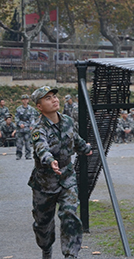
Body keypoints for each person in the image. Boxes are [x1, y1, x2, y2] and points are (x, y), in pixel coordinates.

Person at [28, 85, 92, 259]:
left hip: (67, 177)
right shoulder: (38, 127)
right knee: (43, 224)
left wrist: (85, 148)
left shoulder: (67, 121)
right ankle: (46, 249)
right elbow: (41, 147)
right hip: (44, 182)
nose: (54, 100)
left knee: (70, 214)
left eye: (54, 96)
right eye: (47, 98)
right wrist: (50, 160)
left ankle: (71, 255)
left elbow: (75, 139)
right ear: (39, 106)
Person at [16, 94, 37, 160]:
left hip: (27, 127)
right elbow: (16, 118)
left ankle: (28, 155)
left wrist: (32, 125)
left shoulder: (31, 109)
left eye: (26, 99)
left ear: (28, 100)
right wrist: (19, 124)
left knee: (28, 142)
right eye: (23, 99)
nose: (25, 101)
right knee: (19, 142)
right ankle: (18, 155)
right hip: (20, 128)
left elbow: (32, 118)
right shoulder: (18, 109)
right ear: (22, 100)